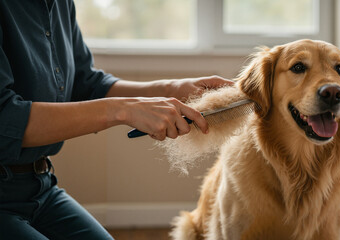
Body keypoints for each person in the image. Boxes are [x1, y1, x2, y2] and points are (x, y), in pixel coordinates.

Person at [0, 0, 232, 239]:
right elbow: (5, 117)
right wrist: (122, 110)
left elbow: (87, 84)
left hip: (41, 185)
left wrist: (171, 89)